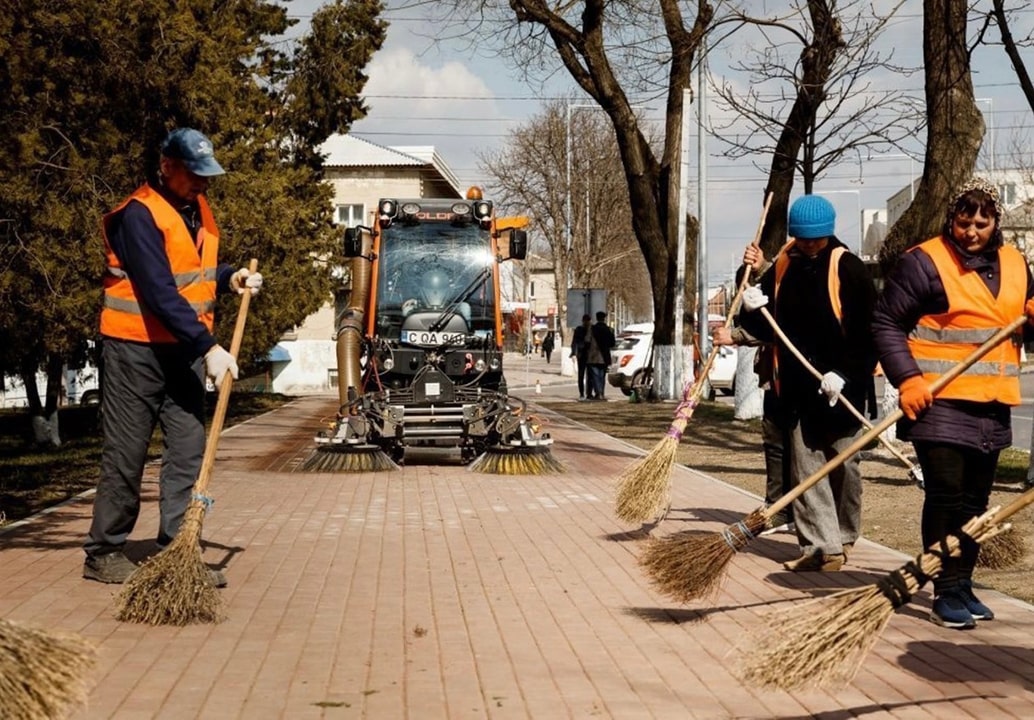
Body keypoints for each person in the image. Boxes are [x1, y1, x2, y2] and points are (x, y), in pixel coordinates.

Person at [83, 128, 263, 586]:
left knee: (187, 447)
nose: (202, 184)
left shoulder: (196, 209)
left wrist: (230, 278)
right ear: (167, 167)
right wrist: (209, 348)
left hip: (178, 351)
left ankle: (176, 549)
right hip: (134, 350)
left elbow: (193, 273)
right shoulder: (138, 216)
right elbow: (158, 292)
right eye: (193, 175)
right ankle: (103, 551)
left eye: (207, 176)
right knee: (128, 451)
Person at [873, 178, 1034, 629]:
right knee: (946, 493)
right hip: (938, 399)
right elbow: (886, 322)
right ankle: (944, 589)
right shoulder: (924, 262)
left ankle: (963, 583)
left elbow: (1023, 320)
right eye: (964, 222)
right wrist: (907, 379)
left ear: (995, 222)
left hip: (993, 403)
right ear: (952, 220)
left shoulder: (1016, 263)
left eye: (982, 223)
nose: (972, 232)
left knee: (977, 501)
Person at [738, 194, 877, 572]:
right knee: (807, 468)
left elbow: (870, 333)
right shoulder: (784, 264)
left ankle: (845, 535)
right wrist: (752, 307)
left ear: (829, 234)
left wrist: (844, 374)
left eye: (816, 239)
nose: (809, 245)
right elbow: (767, 321)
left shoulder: (847, 268)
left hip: (842, 388)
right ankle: (821, 546)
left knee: (845, 466)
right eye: (802, 239)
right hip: (798, 388)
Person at [587, 311, 616, 401]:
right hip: (604, 356)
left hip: (593, 356)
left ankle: (598, 393)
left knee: (595, 376)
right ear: (604, 318)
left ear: (597, 318)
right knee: (602, 376)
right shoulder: (609, 330)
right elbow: (612, 343)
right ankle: (601, 393)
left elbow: (587, 340)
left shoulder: (591, 329)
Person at [571, 314, 594, 400]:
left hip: (587, 354)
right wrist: (573, 353)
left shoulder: (591, 330)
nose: (587, 323)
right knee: (582, 375)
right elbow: (574, 342)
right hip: (583, 354)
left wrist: (574, 352)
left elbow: (574, 342)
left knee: (588, 375)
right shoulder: (580, 329)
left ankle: (588, 393)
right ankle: (583, 393)